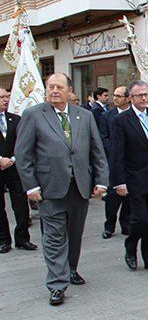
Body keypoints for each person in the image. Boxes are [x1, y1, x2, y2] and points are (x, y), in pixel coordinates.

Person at [14, 73, 108, 306]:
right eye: (50, 87)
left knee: (74, 234)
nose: (54, 90)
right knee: (54, 237)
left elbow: (97, 150)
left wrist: (102, 180)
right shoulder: (33, 116)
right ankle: (57, 284)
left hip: (79, 187)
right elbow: (23, 156)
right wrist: (31, 187)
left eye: (59, 87)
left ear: (69, 90)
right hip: (49, 188)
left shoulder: (84, 116)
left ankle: (70, 269)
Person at [110, 80, 148, 273]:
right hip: (134, 178)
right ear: (131, 98)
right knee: (140, 218)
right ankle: (131, 245)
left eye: (146, 95)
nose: (144, 98)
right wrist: (119, 181)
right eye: (139, 95)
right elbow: (117, 153)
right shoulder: (121, 121)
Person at [0, 88, 37, 253]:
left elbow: (24, 142)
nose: (6, 100)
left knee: (21, 205)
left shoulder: (16, 119)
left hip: (15, 168)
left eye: (7, 96)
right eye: (2, 97)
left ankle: (22, 239)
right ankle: (3, 240)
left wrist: (13, 159)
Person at [99, 86, 131, 238]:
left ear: (127, 98)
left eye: (119, 96)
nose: (115, 99)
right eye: (114, 95)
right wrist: (114, 152)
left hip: (131, 163)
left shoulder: (133, 115)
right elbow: (103, 137)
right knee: (112, 198)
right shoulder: (107, 116)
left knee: (129, 198)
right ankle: (109, 225)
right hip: (113, 162)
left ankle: (126, 225)